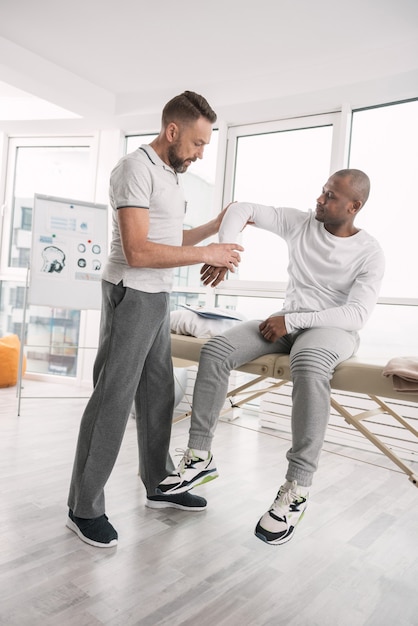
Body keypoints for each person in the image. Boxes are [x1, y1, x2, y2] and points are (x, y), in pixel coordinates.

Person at [158, 169, 385, 546]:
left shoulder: (369, 252)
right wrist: (226, 251)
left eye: (330, 196)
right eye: (323, 191)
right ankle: (199, 456)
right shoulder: (301, 223)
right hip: (287, 324)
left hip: (332, 331)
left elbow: (355, 315)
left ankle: (297, 486)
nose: (320, 199)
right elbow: (242, 208)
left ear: (354, 206)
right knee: (216, 349)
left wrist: (291, 320)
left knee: (309, 364)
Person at [66, 90, 244, 548]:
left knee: (158, 392)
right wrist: (207, 252)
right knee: (113, 398)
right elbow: (138, 250)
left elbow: (167, 235)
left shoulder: (170, 172)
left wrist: (213, 226)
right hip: (133, 292)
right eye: (199, 143)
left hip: (158, 295)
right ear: (172, 131)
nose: (201, 153)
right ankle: (83, 507)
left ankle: (159, 483)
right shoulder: (134, 169)